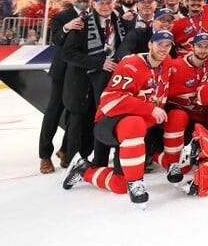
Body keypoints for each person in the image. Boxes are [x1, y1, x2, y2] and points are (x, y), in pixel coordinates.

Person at [61, 31, 180, 208]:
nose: (163, 48)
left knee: (119, 185)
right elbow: (111, 99)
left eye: (167, 45)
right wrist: (150, 109)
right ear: (149, 45)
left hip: (137, 133)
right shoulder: (131, 64)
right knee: (135, 123)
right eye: (159, 44)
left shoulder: (167, 64)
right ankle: (136, 183)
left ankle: (83, 169)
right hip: (110, 123)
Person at [61, 0, 125, 168]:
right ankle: (73, 162)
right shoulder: (81, 24)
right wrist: (99, 63)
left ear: (114, 4)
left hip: (107, 81)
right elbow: (68, 53)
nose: (105, 6)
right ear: (94, 4)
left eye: (109, 2)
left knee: (102, 120)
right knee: (79, 123)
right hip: (83, 82)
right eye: (101, 3)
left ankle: (98, 161)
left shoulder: (120, 22)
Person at [38, 0, 91, 174]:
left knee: (77, 114)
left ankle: (65, 150)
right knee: (53, 112)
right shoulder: (61, 16)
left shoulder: (93, 16)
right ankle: (45, 155)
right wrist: (66, 28)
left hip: (82, 73)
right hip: (63, 72)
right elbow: (56, 40)